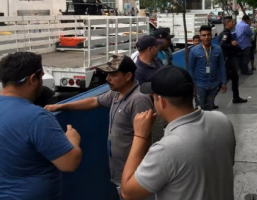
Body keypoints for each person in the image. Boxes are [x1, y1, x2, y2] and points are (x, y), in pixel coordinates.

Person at [45, 54, 162, 199]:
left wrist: (137, 173)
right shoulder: (116, 94)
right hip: (120, 171)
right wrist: (62, 106)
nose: (107, 79)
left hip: (134, 173)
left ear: (128, 76)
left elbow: (145, 136)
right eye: (107, 75)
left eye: (113, 75)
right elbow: (94, 101)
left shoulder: (138, 100)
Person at [120, 66, 235, 200]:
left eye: (153, 98)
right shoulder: (222, 120)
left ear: (161, 101)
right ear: (192, 92)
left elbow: (127, 192)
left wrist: (139, 135)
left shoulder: (166, 149)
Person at [0, 52, 82, 199]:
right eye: (41, 76)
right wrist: (72, 139)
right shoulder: (36, 118)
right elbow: (69, 163)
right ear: (33, 79)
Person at [188, 25, 226, 110]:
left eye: (208, 35)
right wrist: (192, 85)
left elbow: (221, 66)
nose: (206, 37)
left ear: (211, 35)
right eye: (203, 35)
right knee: (199, 109)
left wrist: (223, 82)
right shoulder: (194, 51)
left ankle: (207, 123)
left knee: (209, 107)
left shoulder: (218, 49)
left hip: (213, 84)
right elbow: (190, 69)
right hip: (200, 85)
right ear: (200, 37)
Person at [219, 16, 247, 104]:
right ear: (227, 23)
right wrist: (233, 45)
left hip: (229, 60)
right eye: (232, 22)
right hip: (227, 61)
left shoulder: (228, 33)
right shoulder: (226, 34)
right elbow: (222, 45)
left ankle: (236, 97)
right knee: (223, 80)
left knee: (235, 78)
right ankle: (210, 100)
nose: (233, 23)